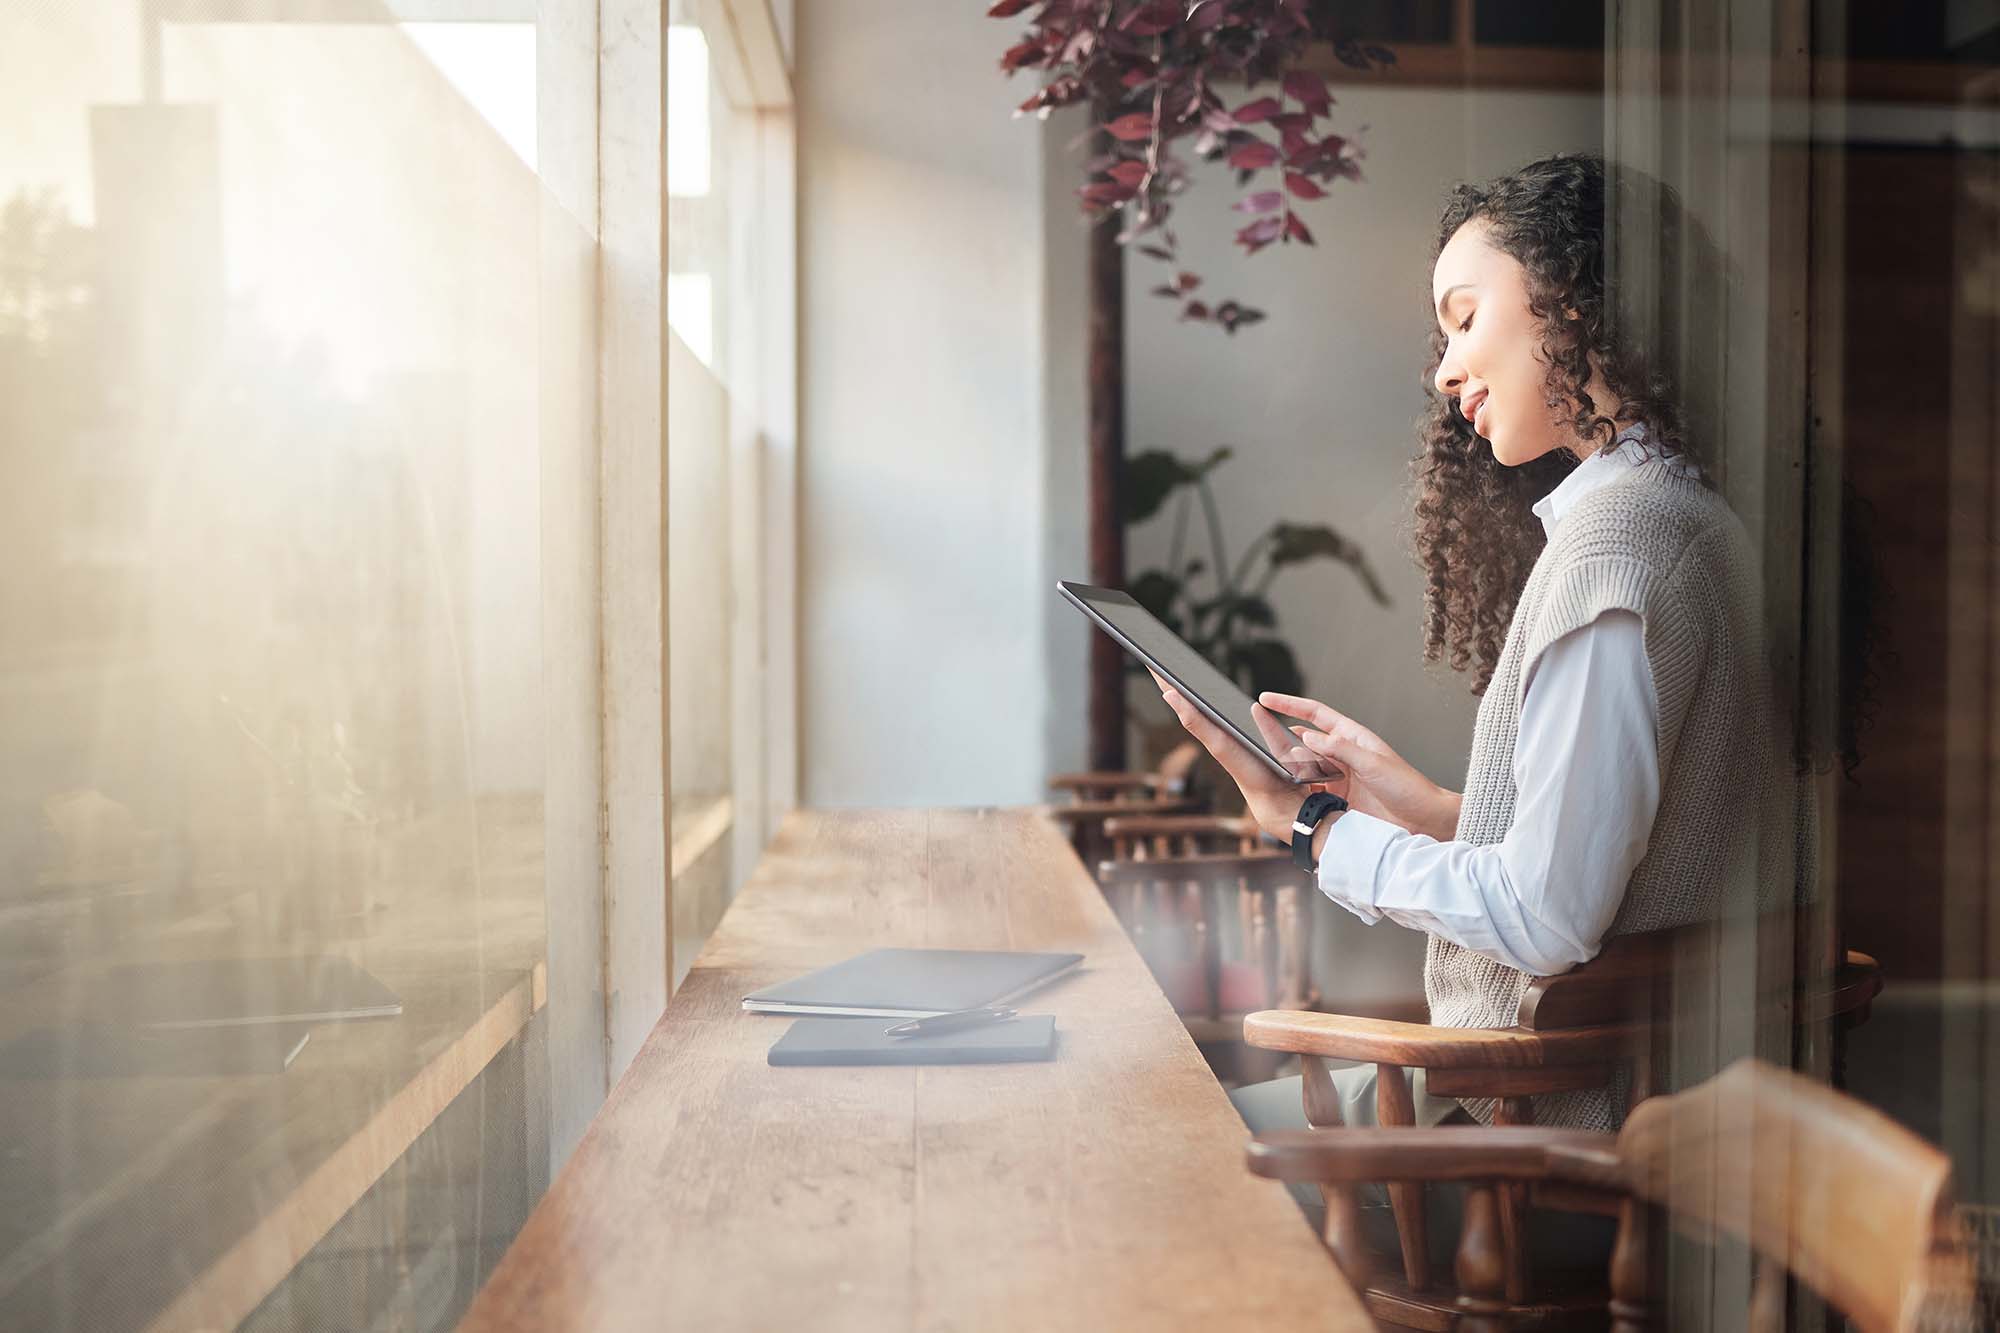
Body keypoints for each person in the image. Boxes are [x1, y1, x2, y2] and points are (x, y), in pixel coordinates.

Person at [1152, 153, 1807, 1262]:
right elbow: (1616, 865)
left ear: (1572, 300)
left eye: (1463, 318)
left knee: (1157, 1142)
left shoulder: (1617, 547)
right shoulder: (1684, 520)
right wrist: (1418, 802)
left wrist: (1314, 830)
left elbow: (1548, 917)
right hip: (1613, 1120)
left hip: (1552, 1155)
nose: (1446, 367)